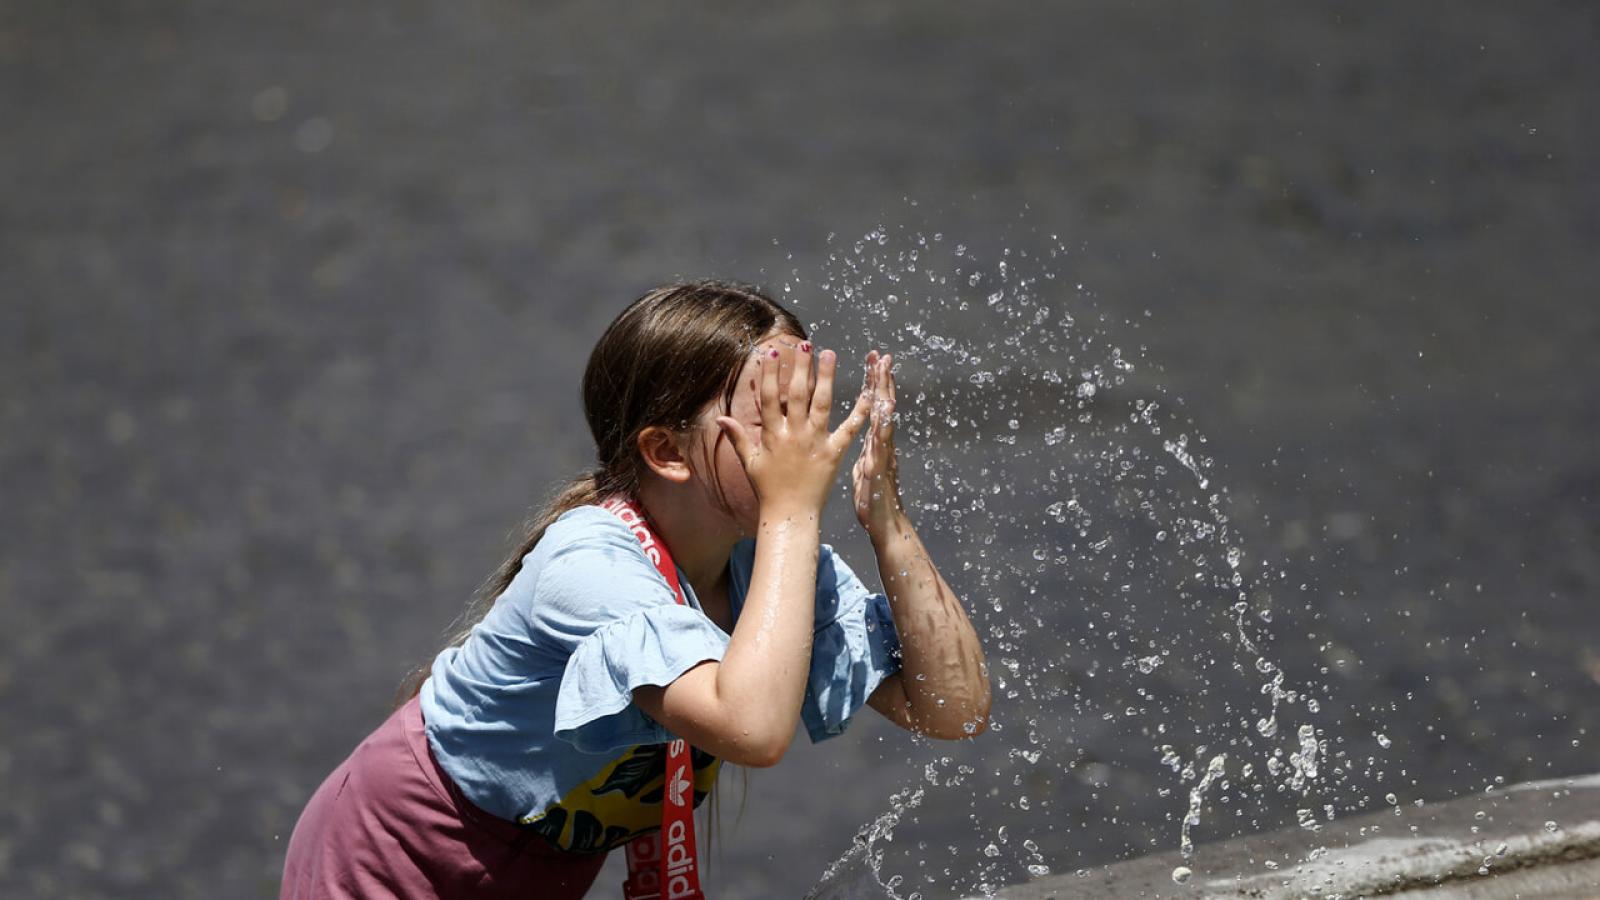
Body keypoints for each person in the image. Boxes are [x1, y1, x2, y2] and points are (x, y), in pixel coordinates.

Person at [281, 280, 991, 899]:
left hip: (540, 869)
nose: (806, 441)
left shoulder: (765, 562)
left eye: (807, 405)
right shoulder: (590, 567)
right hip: (394, 858)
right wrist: (793, 511)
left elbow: (951, 709)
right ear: (666, 451)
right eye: (772, 417)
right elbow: (751, 729)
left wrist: (888, 524)